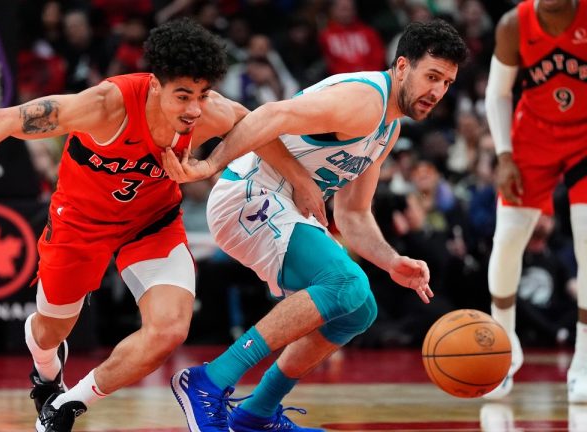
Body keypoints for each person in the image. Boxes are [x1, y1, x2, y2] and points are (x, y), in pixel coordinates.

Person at [0, 18, 323, 432]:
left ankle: (67, 405)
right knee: (50, 331)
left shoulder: (208, 112)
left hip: (152, 223)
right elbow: (3, 120)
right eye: (183, 95)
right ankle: (44, 365)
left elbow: (255, 126)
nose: (193, 109)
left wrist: (302, 182)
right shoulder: (107, 105)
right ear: (156, 85)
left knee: (169, 332)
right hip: (80, 225)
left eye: (201, 95)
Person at [161, 20, 467, 431]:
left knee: (359, 309)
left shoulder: (387, 126)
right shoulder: (362, 101)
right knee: (346, 285)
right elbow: (271, 114)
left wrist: (391, 260)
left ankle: (256, 415)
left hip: (283, 205)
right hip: (249, 194)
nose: (437, 91)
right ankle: (207, 381)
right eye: (431, 76)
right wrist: (211, 164)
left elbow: (353, 214)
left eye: (446, 82)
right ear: (401, 67)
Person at [482, 0, 587, 401]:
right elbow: (497, 92)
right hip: (534, 136)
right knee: (507, 239)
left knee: (586, 240)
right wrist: (504, 155)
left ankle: (583, 360)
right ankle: (504, 349)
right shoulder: (514, 25)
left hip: (584, 136)